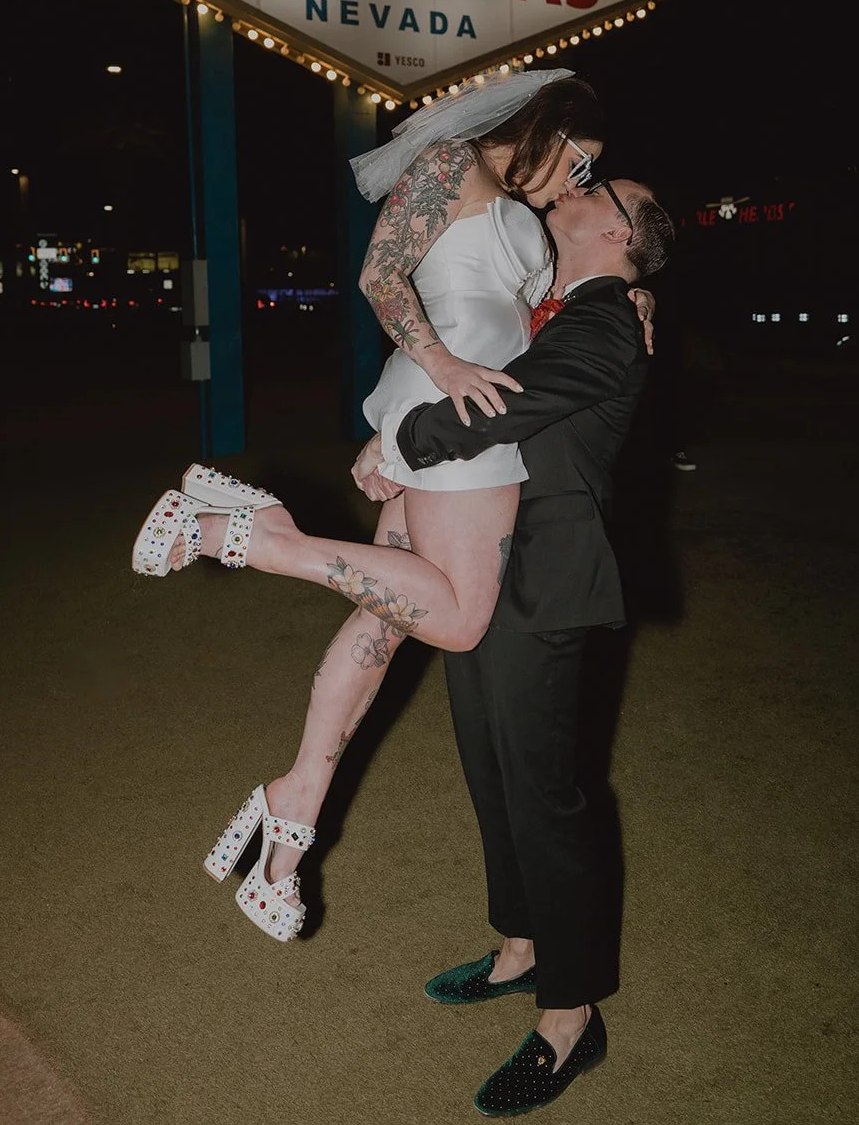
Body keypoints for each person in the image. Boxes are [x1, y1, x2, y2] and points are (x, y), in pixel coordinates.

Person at [132, 70, 652, 942]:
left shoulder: (524, 216)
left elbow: (530, 313)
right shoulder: (450, 164)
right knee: (454, 621)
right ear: (545, 129)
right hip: (460, 405)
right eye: (578, 164)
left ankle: (293, 809)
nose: (577, 184)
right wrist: (442, 374)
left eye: (588, 178)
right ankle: (253, 533)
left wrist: (631, 293)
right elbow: (381, 276)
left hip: (463, 410)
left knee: (384, 623)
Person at [352, 176, 675, 1116]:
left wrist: (392, 437)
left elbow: (496, 409)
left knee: (545, 793)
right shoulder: (560, 303)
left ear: (614, 229)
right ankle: (520, 947)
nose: (568, 187)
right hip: (483, 558)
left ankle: (570, 1016)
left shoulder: (609, 318)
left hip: (544, 578)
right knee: (490, 769)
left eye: (593, 188)